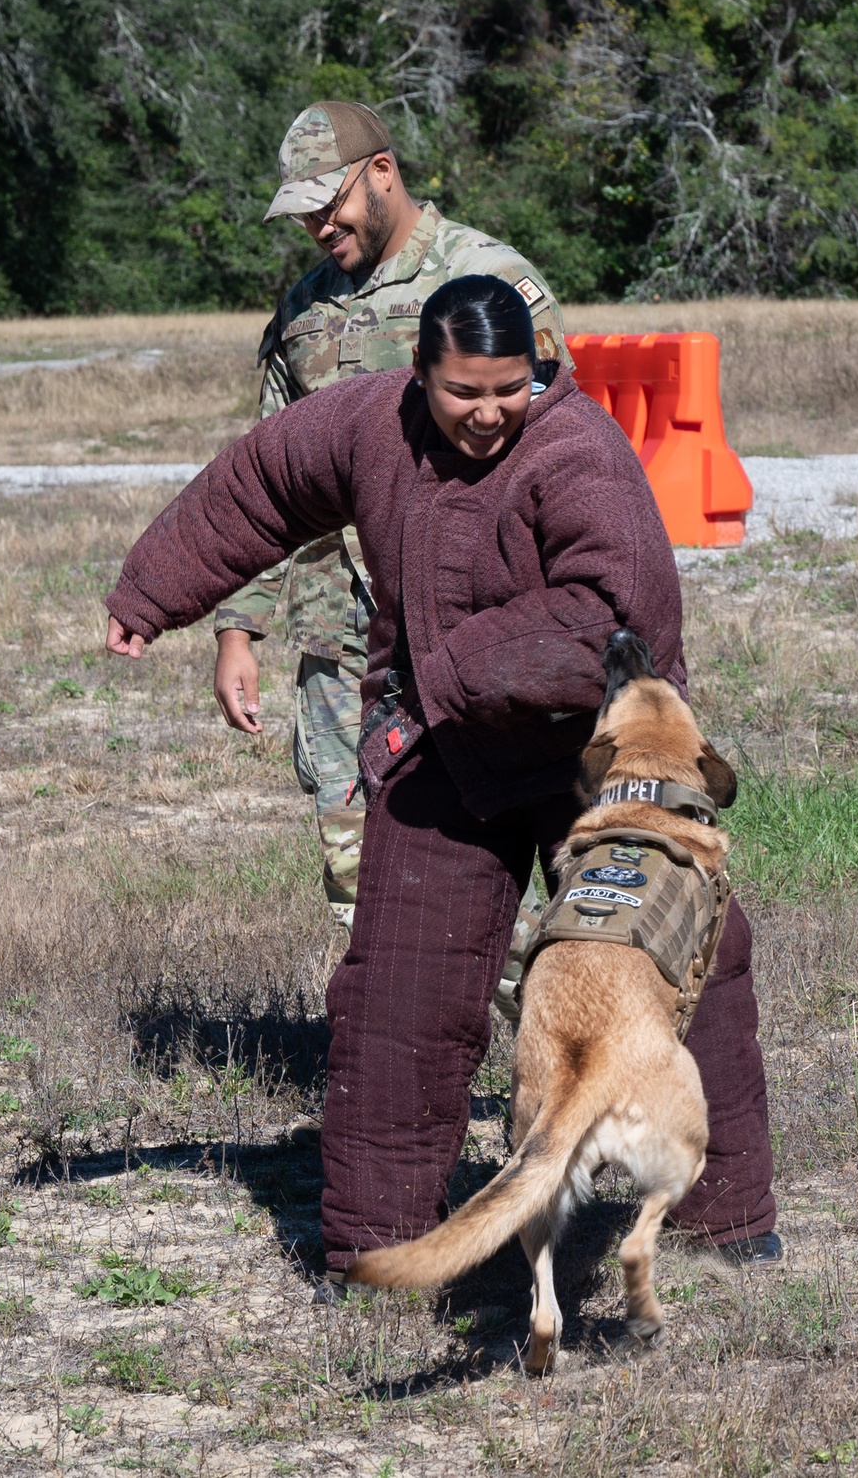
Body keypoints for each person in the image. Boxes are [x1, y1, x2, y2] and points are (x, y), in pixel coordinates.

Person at [106, 275, 780, 1301]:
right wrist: (152, 592)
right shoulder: (366, 425)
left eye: (510, 388)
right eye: (465, 391)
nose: (489, 411)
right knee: (396, 997)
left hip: (594, 757)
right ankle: (367, 1249)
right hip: (443, 750)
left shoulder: (577, 452)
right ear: (420, 375)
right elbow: (257, 489)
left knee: (690, 955)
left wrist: (448, 671)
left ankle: (728, 1215)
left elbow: (608, 613)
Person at [213, 100, 570, 935]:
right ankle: (417, 1055)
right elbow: (267, 477)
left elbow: (562, 452)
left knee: (496, 864)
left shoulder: (485, 279)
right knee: (361, 877)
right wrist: (240, 629)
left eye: (326, 202)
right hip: (339, 641)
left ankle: (568, 1048)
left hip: (472, 628)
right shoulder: (304, 310)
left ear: (382, 173)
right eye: (300, 212)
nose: (316, 224)